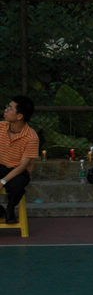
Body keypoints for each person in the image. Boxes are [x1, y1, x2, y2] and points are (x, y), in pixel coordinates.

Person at [0, 96, 39, 224]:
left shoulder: (31, 137)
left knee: (17, 185)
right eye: (7, 107)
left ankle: (10, 207)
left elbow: (22, 166)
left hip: (18, 171)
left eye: (10, 108)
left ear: (19, 116)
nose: (6, 110)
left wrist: (2, 181)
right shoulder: (1, 126)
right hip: (1, 166)